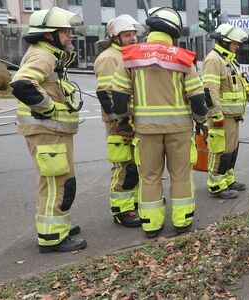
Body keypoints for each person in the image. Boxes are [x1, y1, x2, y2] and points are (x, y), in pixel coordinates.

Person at [110, 7, 208, 238]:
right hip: (179, 131)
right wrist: (202, 122)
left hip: (145, 131)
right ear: (173, 31)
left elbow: (119, 99)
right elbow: (197, 99)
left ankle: (151, 224)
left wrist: (123, 122)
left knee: (149, 177)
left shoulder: (130, 56)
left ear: (151, 28)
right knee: (181, 175)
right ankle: (182, 220)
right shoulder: (184, 58)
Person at [10, 7, 86, 253]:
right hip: (47, 131)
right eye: (65, 31)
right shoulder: (44, 55)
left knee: (59, 181)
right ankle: (52, 237)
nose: (70, 35)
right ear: (48, 34)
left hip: (51, 132)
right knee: (57, 183)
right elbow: (22, 84)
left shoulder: (49, 54)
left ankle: (58, 226)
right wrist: (49, 109)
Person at [93, 14, 143, 227]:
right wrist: (122, 124)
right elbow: (107, 95)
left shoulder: (127, 55)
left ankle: (133, 202)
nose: (133, 38)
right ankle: (121, 210)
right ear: (115, 37)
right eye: (127, 35)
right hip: (119, 123)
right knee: (123, 166)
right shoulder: (109, 58)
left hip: (131, 121)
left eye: (134, 34)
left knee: (134, 165)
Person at [201, 23, 249, 199]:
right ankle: (216, 184)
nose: (237, 46)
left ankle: (228, 180)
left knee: (232, 150)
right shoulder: (213, 60)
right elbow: (209, 90)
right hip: (222, 116)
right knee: (221, 151)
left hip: (233, 116)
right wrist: (216, 115)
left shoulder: (228, 59)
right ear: (224, 42)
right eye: (234, 43)